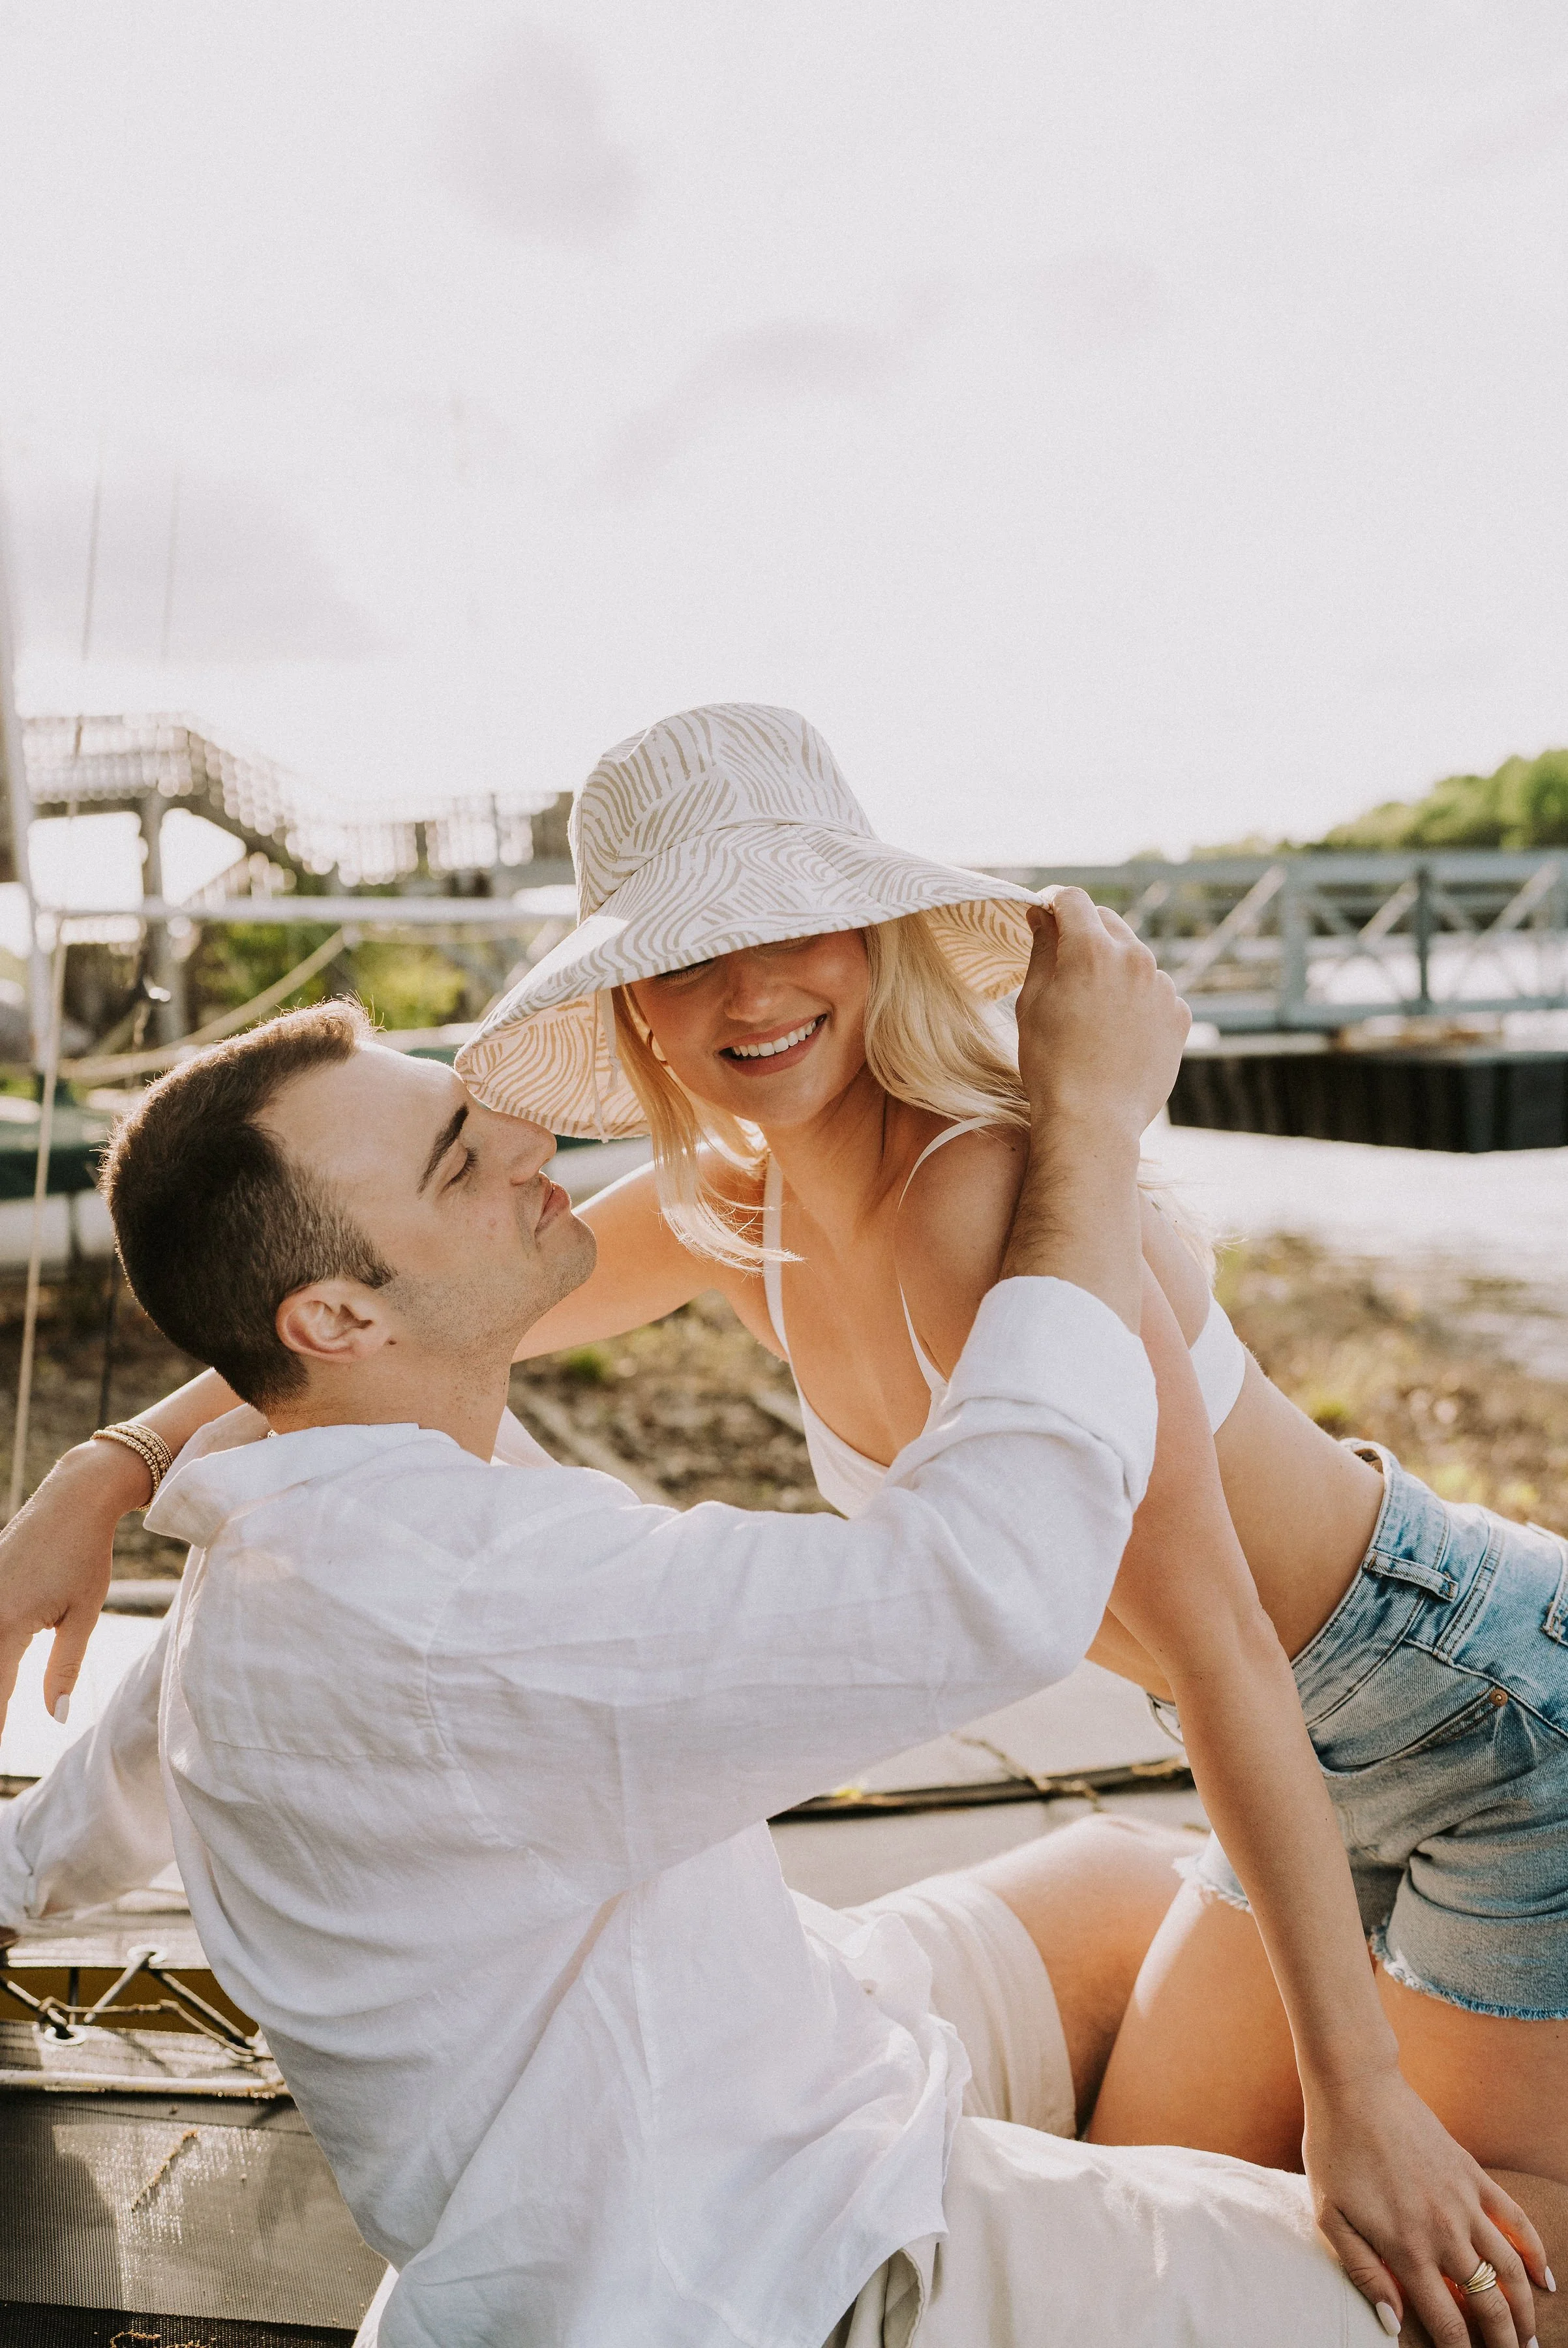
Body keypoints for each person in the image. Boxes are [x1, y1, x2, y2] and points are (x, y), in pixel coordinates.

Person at [29, 705, 1566, 2209]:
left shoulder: (990, 1206)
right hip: (1283, 1768)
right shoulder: (727, 1209)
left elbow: (1226, 1644)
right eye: (681, 957)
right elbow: (375, 1339)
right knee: (1152, 2175)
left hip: (1476, 1718)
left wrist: (1354, 2100)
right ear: (631, 1003)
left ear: (872, 938)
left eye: (795, 928)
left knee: (1447, 2263)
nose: (747, 990)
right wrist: (103, 1470)